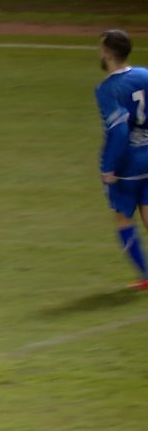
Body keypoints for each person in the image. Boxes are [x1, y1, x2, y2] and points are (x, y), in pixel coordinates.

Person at [95, 29, 148, 290]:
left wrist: (109, 167)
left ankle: (145, 275)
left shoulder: (108, 89)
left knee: (124, 219)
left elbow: (119, 129)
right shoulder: (145, 75)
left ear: (107, 53)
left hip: (127, 164)